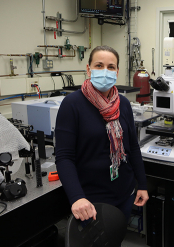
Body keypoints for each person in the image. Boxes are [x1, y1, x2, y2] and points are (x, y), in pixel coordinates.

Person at [55, 45, 149, 222]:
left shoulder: (123, 103)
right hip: (90, 201)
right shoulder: (72, 104)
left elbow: (133, 148)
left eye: (111, 67)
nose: (105, 71)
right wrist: (77, 197)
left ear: (117, 71)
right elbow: (64, 156)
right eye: (99, 65)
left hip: (124, 193)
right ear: (88, 69)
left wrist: (142, 184)